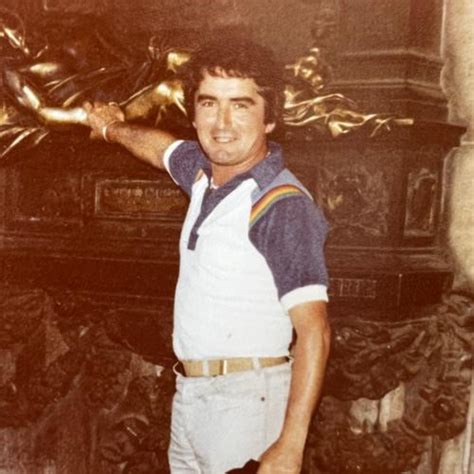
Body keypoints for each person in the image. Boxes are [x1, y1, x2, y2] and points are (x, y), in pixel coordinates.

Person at [85, 35, 331, 474]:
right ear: (193, 113)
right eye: (209, 103)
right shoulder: (204, 173)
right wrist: (111, 128)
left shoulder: (280, 204)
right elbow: (160, 149)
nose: (222, 123)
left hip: (247, 403)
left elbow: (316, 333)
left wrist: (291, 445)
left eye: (241, 105)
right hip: (192, 398)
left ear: (270, 118)